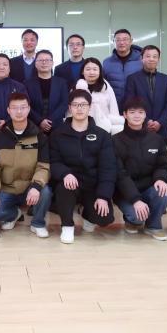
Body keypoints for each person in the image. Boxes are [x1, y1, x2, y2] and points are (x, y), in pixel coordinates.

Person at [49, 89, 116, 244]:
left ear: (90, 107)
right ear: (69, 108)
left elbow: (108, 168)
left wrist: (103, 196)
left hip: (92, 186)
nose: (79, 108)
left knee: (104, 218)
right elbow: (53, 161)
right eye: (75, 105)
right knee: (65, 187)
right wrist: (65, 173)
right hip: (69, 184)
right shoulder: (58, 134)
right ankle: (67, 226)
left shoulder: (102, 135)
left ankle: (86, 213)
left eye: (83, 105)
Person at [0, 93, 52, 238]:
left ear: (29, 109)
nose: (19, 111)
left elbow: (43, 167)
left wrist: (36, 186)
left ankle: (37, 223)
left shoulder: (39, 136)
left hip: (29, 187)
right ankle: (14, 214)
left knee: (45, 191)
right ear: (8, 110)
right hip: (6, 188)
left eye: (23, 107)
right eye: (14, 108)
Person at [112, 97, 167, 241]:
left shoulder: (156, 139)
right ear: (125, 115)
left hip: (148, 187)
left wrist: (161, 179)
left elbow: (162, 164)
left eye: (140, 112)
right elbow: (120, 174)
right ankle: (132, 220)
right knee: (137, 217)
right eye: (132, 112)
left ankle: (154, 225)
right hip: (125, 192)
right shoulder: (115, 141)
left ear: (145, 115)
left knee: (164, 192)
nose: (137, 116)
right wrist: (135, 200)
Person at [124, 45, 167, 142]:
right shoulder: (132, 79)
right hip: (139, 127)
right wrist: (146, 121)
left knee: (160, 152)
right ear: (141, 58)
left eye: (155, 56)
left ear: (158, 59)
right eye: (148, 56)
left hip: (161, 129)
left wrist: (160, 122)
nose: (151, 59)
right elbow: (130, 102)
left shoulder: (166, 79)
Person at [74, 57, 124, 135]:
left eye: (95, 69)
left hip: (104, 128)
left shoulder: (106, 87)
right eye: (88, 69)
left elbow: (113, 108)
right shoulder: (77, 87)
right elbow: (71, 111)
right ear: (82, 72)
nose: (91, 72)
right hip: (81, 128)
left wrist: (115, 125)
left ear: (100, 72)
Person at [25, 49, 68, 135]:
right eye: (41, 60)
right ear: (35, 64)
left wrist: (50, 121)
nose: (44, 63)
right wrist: (40, 121)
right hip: (34, 126)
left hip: (56, 126)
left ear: (52, 63)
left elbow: (64, 103)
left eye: (47, 60)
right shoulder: (27, 84)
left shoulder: (61, 82)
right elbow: (26, 105)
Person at [102, 29, 143, 106]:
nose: (121, 42)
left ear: (131, 41)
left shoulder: (141, 61)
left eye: (125, 39)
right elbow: (103, 85)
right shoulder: (106, 62)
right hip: (113, 106)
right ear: (113, 42)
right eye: (118, 40)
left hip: (135, 106)